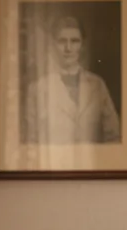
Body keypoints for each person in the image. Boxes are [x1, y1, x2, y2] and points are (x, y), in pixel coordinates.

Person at [27, 15, 119, 145]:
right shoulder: (38, 88)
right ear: (53, 45)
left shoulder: (98, 84)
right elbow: (31, 144)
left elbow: (113, 136)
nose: (68, 48)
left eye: (75, 41)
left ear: (82, 45)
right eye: (62, 41)